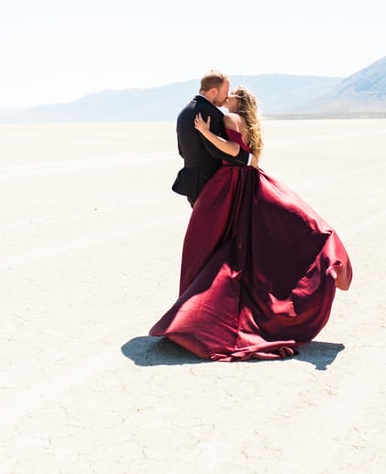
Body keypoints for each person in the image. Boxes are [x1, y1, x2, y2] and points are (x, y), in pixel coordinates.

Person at [151, 86, 353, 361]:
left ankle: (206, 317)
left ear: (238, 100)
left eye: (231, 94)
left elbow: (233, 150)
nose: (227, 97)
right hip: (252, 180)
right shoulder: (249, 123)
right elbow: (253, 159)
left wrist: (205, 133)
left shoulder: (230, 120)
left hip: (233, 183)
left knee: (234, 250)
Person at [171, 70, 251, 207]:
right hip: (209, 184)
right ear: (214, 91)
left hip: (192, 182)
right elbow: (217, 150)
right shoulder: (209, 113)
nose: (227, 96)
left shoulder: (184, 112)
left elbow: (182, 151)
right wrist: (247, 159)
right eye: (225, 91)